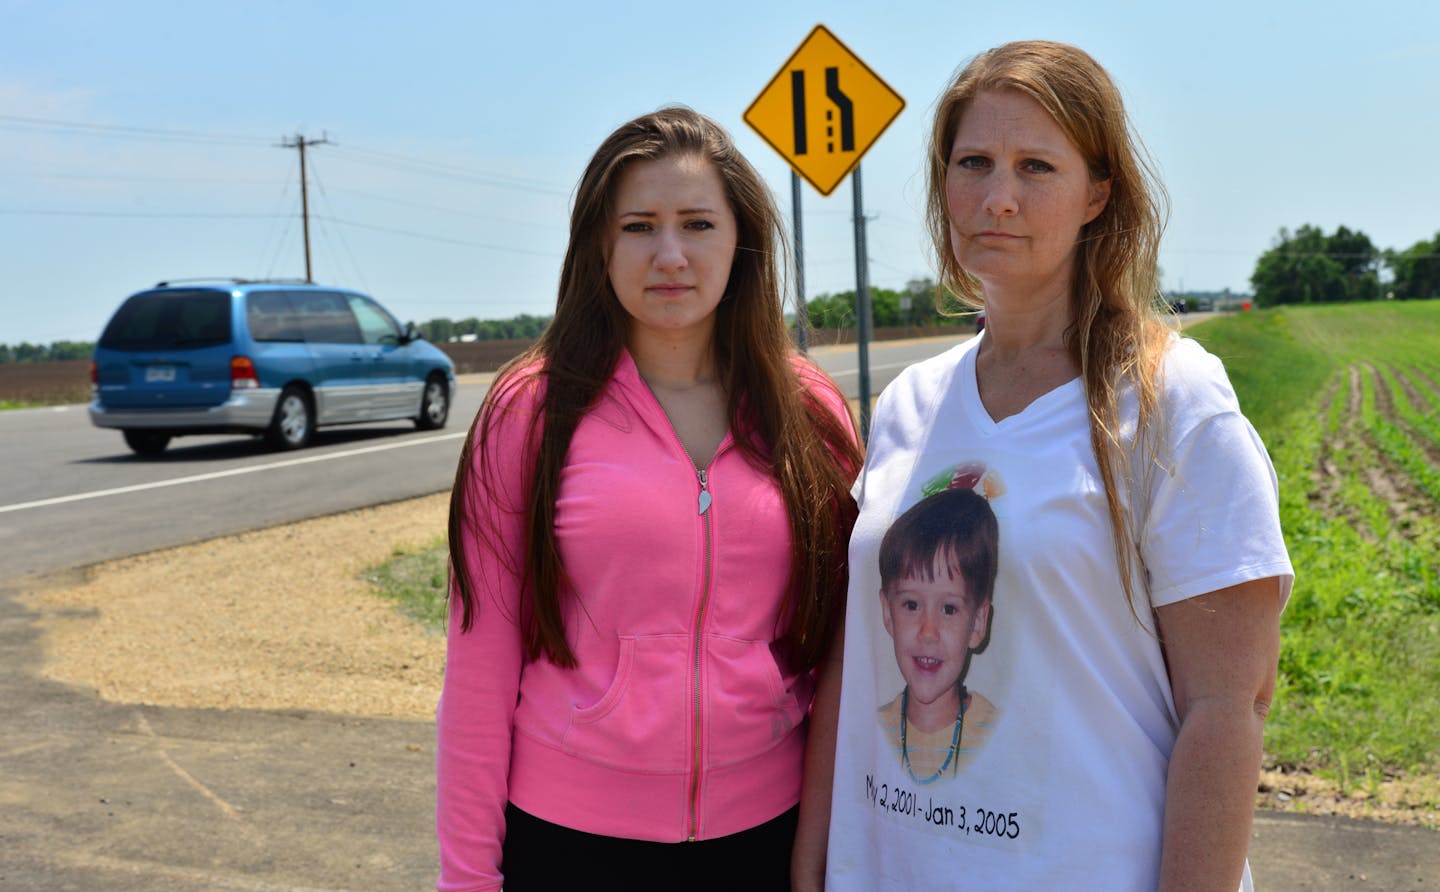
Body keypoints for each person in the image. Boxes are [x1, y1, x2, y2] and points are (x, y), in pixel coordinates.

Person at [792, 41, 1293, 891]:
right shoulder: (909, 405)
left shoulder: (1171, 399)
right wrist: (814, 860)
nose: (998, 198)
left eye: (1036, 167)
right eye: (974, 163)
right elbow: (856, 656)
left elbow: (1229, 705)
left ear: (1098, 193)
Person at [436, 106, 862, 891]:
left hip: (764, 836)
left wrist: (827, 847)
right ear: (600, 244)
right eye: (639, 226)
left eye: (698, 223)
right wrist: (467, 881)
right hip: (568, 842)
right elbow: (479, 669)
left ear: (742, 240)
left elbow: (844, 650)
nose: (670, 254)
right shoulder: (531, 412)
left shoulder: (810, 415)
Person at [875, 480, 1000, 785]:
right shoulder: (873, 728)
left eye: (948, 609)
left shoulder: (998, 730)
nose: (928, 633)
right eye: (911, 604)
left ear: (978, 624)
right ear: (887, 613)